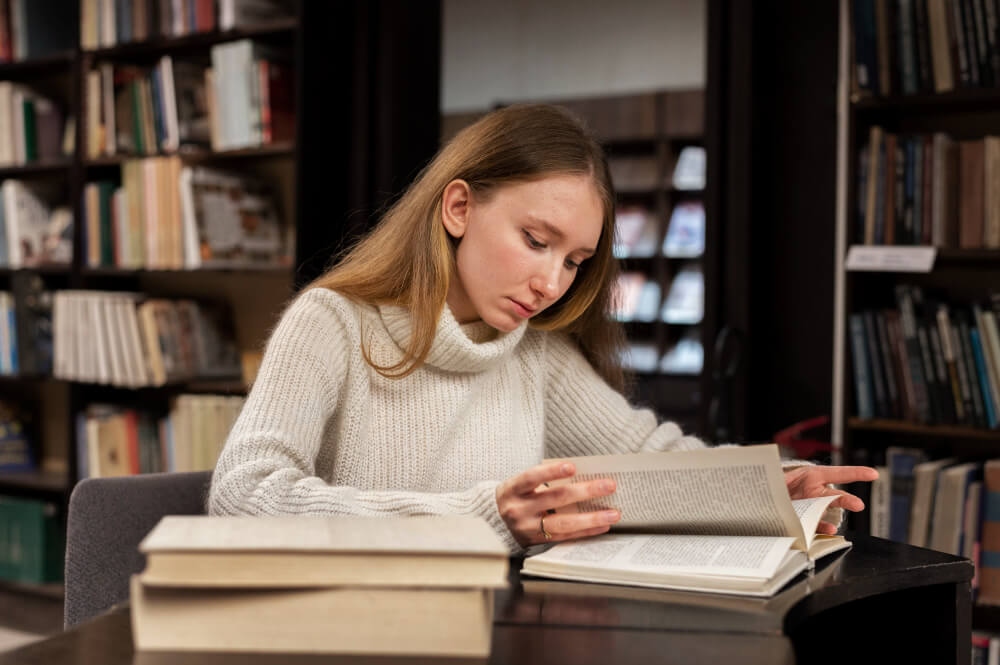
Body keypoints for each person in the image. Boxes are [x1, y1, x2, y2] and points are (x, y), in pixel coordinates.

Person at [208, 104, 877, 552]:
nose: (553, 284)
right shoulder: (331, 323)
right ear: (459, 206)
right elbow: (241, 495)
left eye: (575, 261)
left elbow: (645, 456)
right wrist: (486, 516)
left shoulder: (535, 354)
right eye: (535, 240)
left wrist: (769, 483)